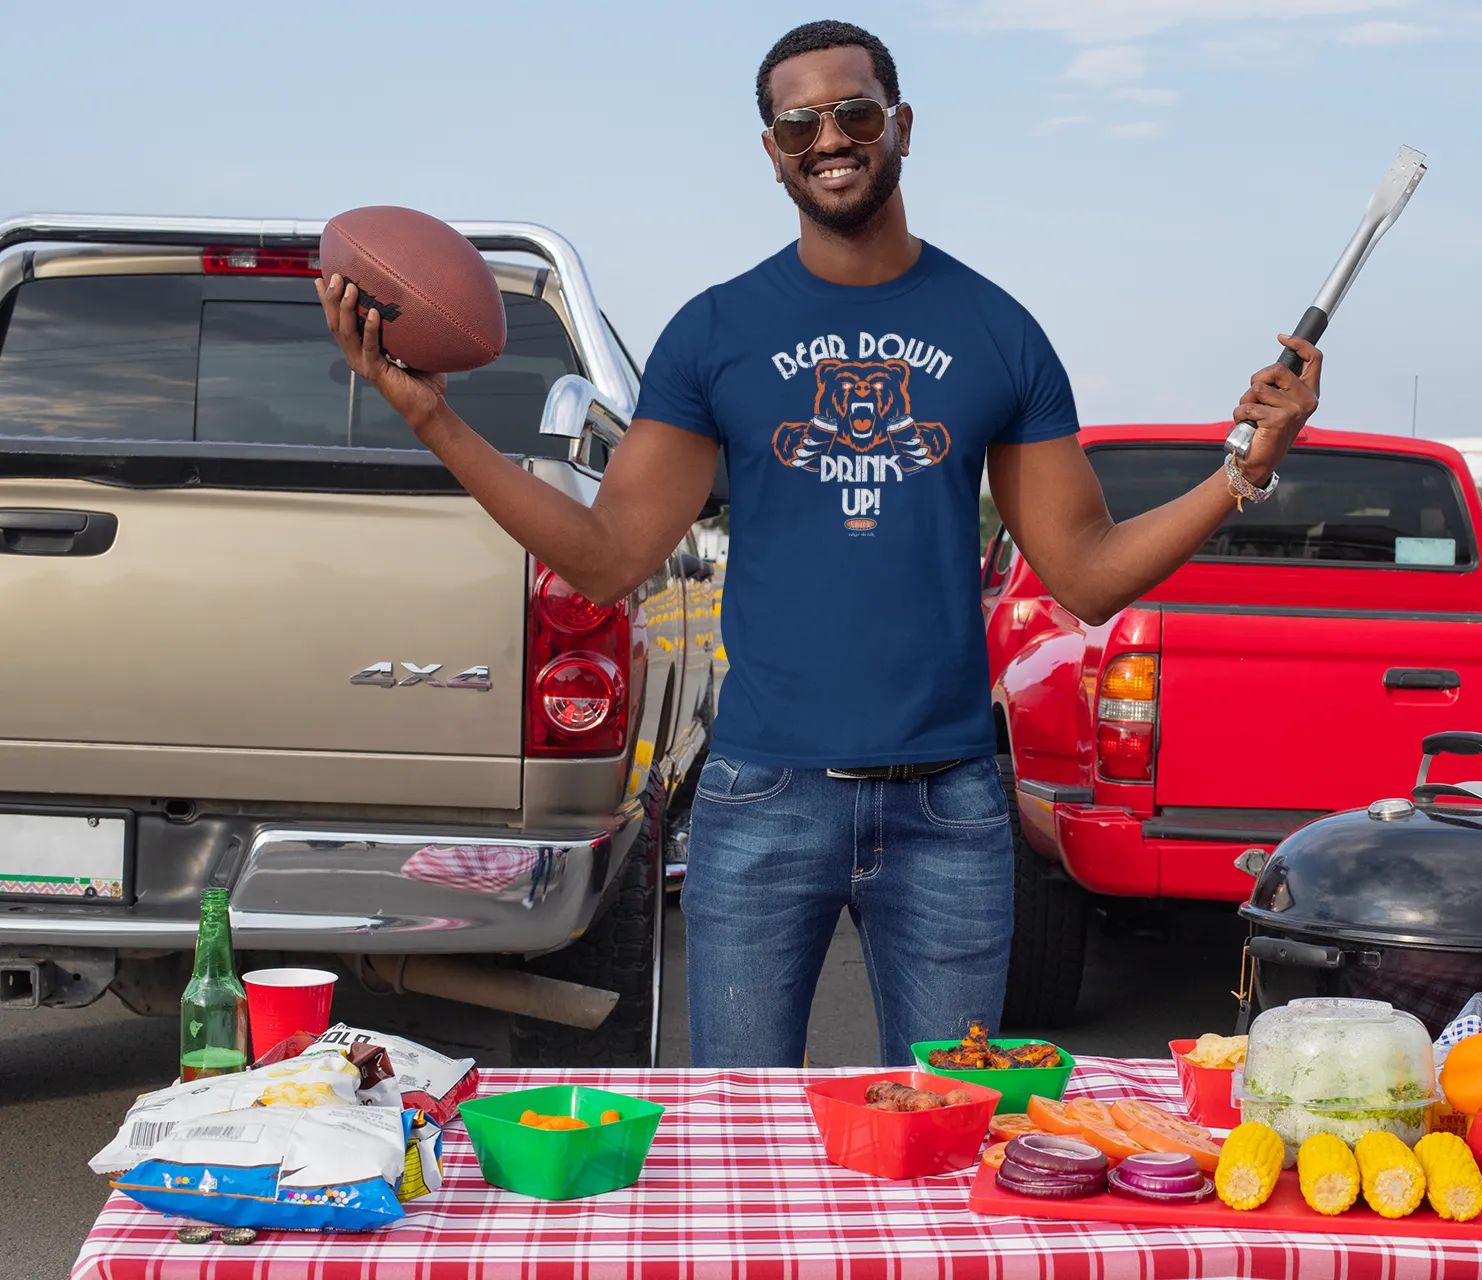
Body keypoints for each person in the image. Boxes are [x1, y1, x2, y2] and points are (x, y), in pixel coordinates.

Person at [317, 19, 1321, 1069]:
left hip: (948, 803)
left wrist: (1240, 468)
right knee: (746, 1142)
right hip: (765, 793)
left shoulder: (997, 331)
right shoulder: (716, 332)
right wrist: (433, 418)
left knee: (941, 1139)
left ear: (902, 125)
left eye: (854, 112)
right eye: (800, 122)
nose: (829, 138)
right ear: (772, 150)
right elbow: (608, 558)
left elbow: (1085, 572)